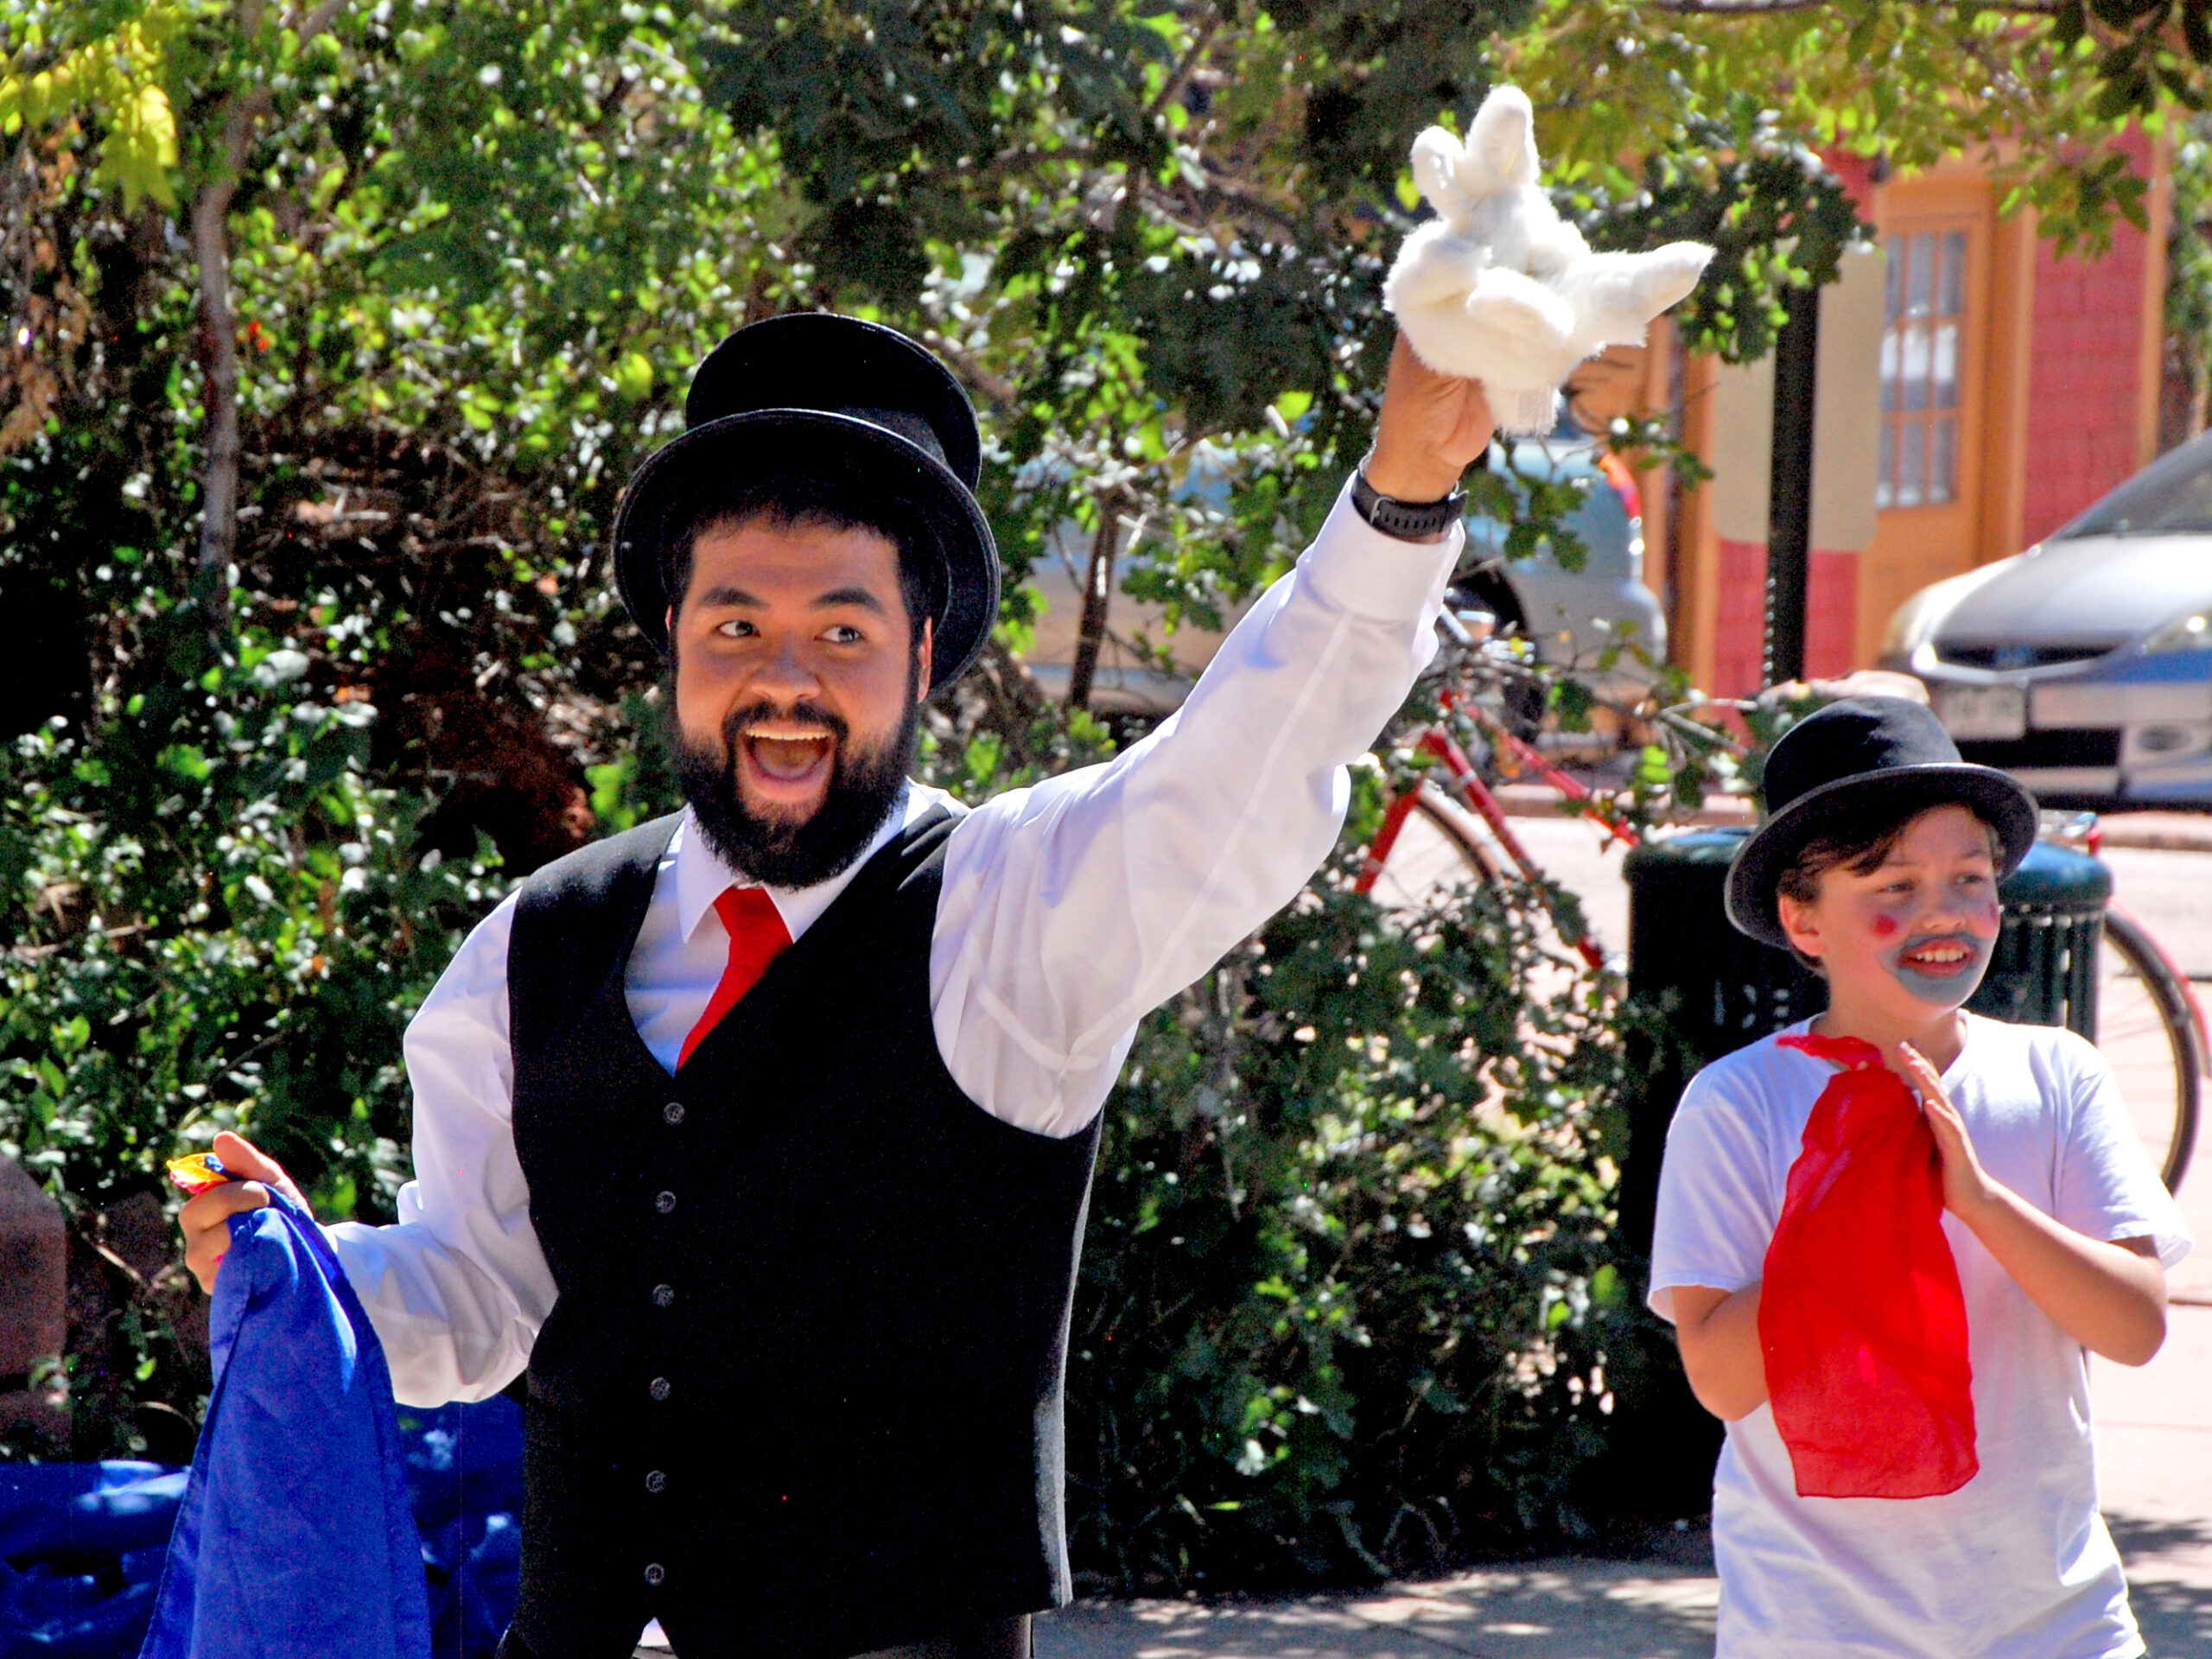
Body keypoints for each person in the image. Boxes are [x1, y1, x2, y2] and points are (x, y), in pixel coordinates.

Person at [176, 310, 1497, 1659]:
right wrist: (305, 1274)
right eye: (736, 624)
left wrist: (1397, 503)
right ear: (674, 645)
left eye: (844, 632)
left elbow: (1244, 769)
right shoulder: (535, 942)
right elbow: (482, 1295)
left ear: (923, 654)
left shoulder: (1012, 918)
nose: (785, 683)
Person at [1649, 696, 2194, 1658]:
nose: (1941, 911)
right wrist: (1850, 1200)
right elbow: (1722, 1381)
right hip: (1813, 1627)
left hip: (2053, 1622)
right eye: (1891, 884)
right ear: (1801, 921)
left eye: (1968, 878)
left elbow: (2135, 1325)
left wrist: (1980, 1206)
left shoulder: (2054, 1076)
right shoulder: (1737, 1105)